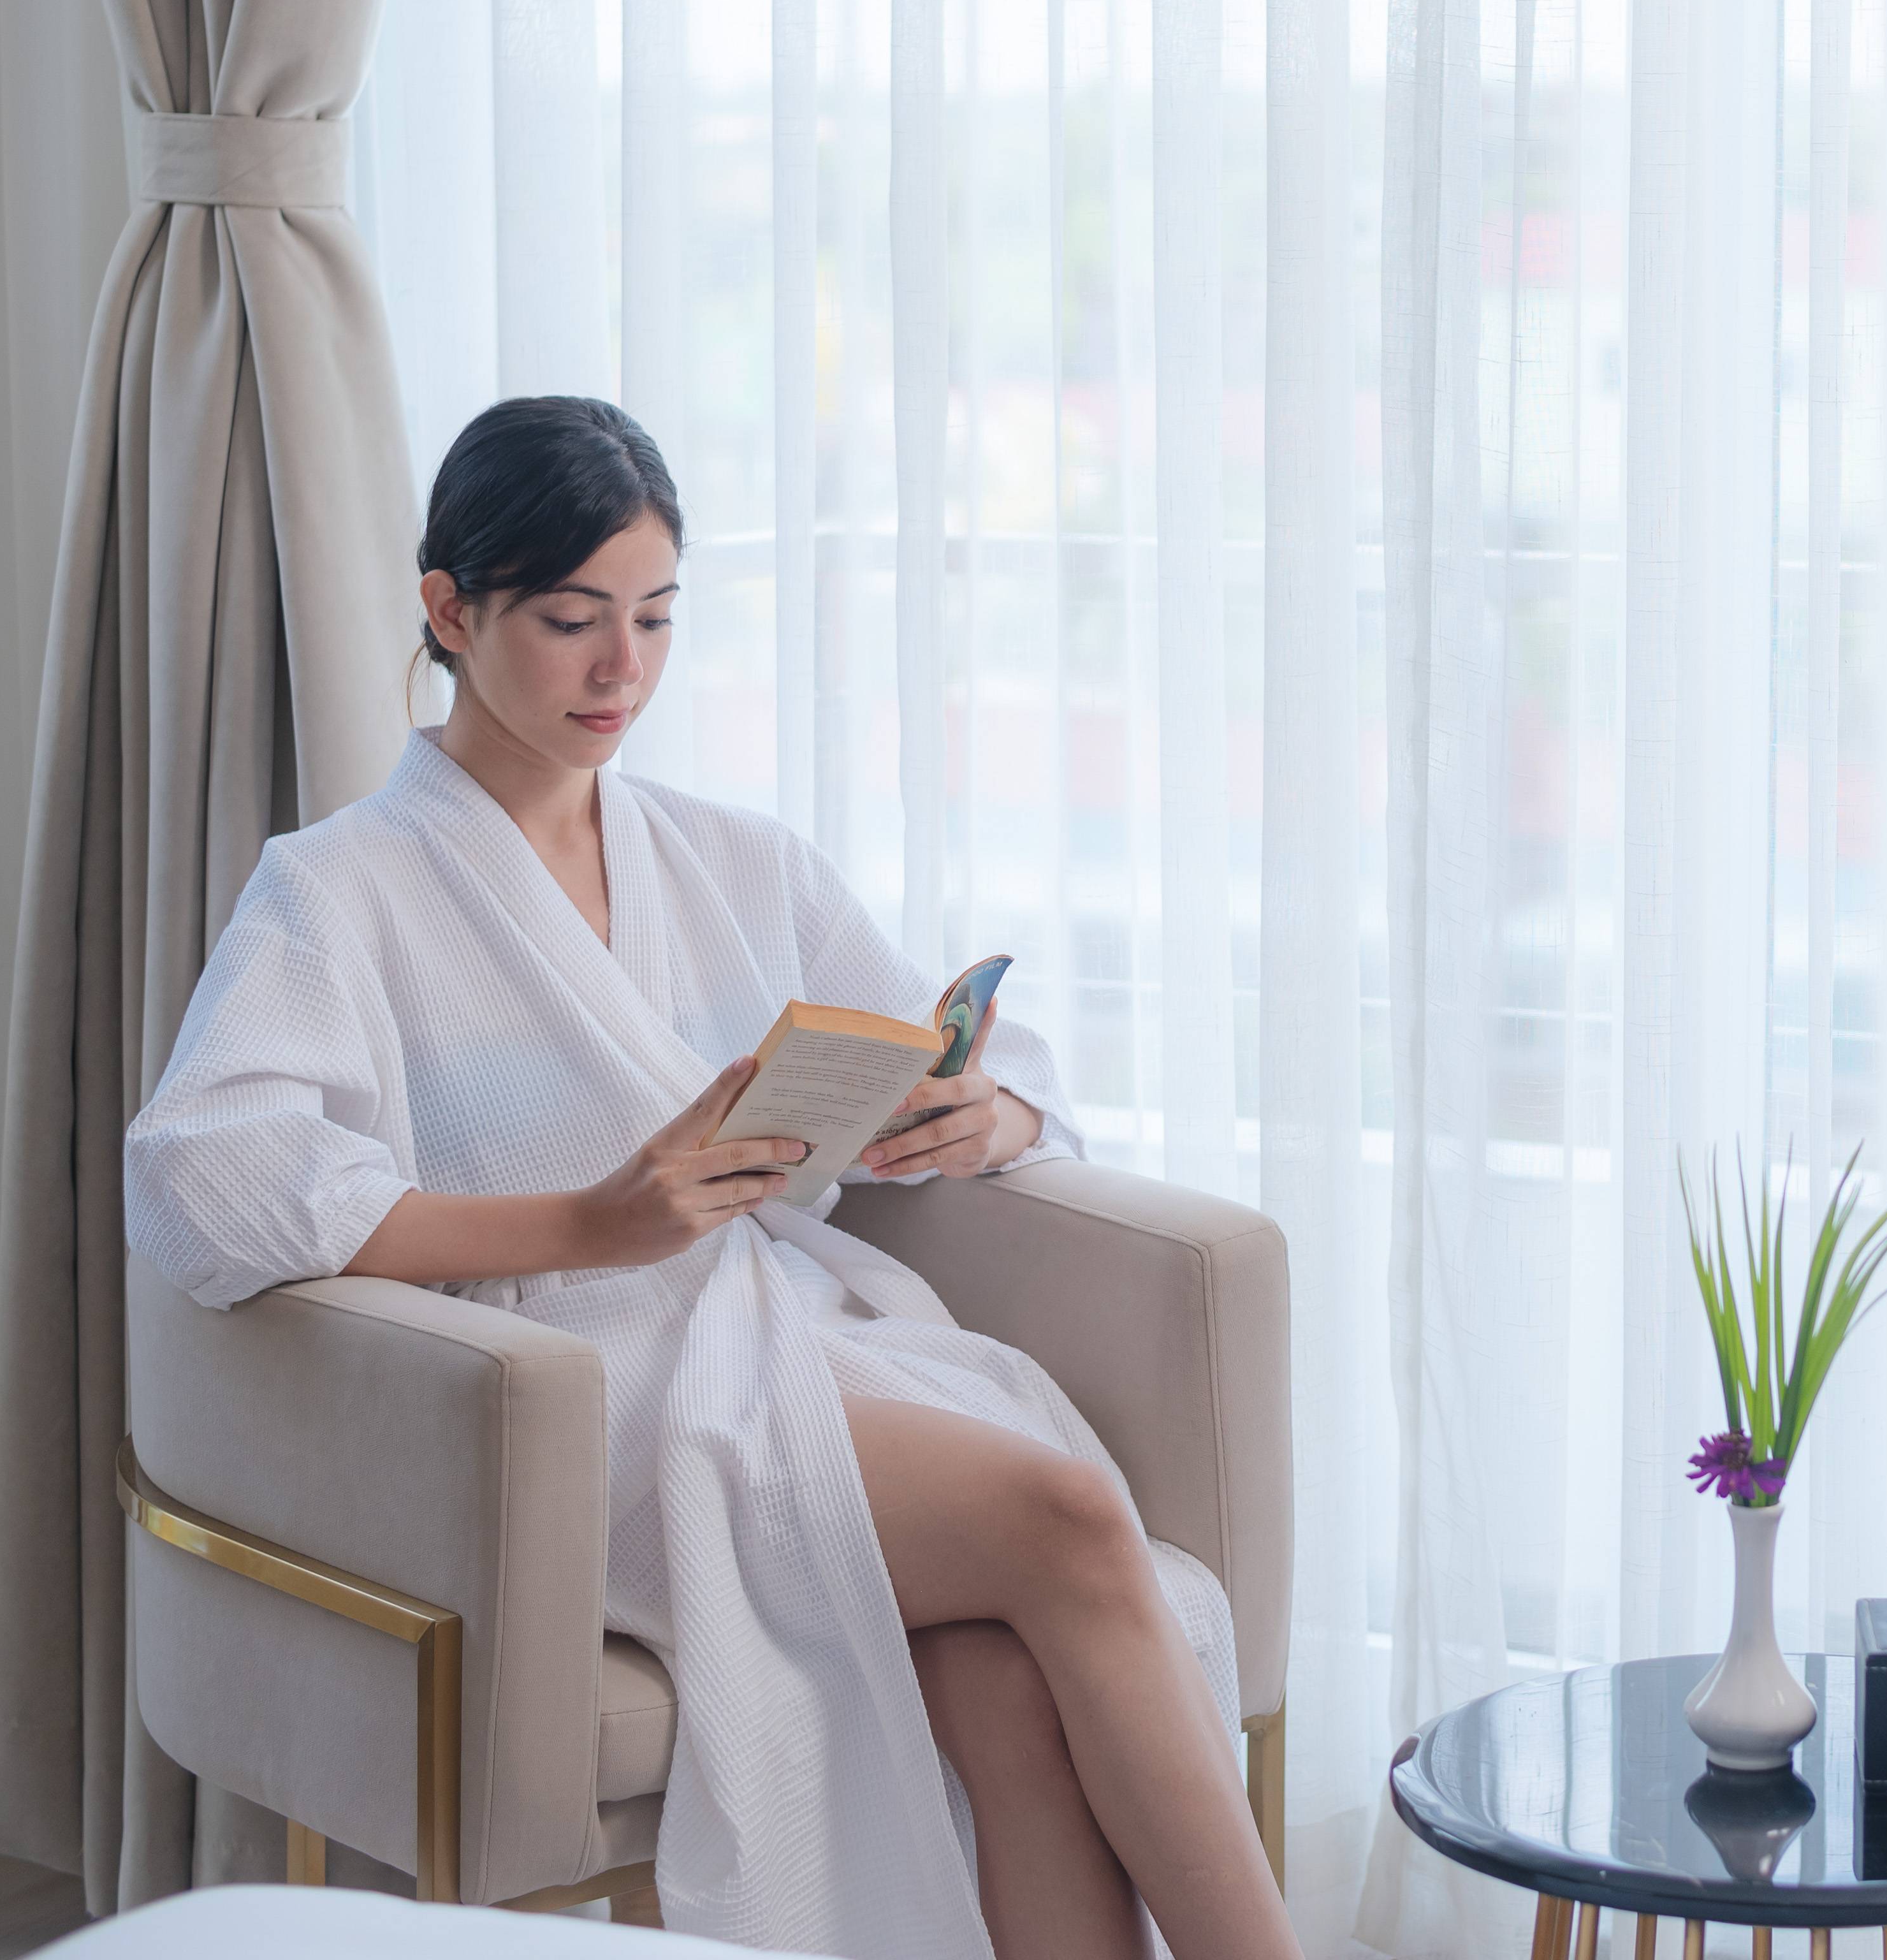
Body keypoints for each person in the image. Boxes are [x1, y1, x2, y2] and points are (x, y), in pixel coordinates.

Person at [125, 396, 1295, 1960]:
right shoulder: (337, 892)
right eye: (572, 620)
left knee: (1006, 1687)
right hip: (578, 1411)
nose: (624, 667)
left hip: (783, 1342)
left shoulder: (734, 859)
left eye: (658, 617)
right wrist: (590, 1221)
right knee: (1071, 1515)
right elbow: (209, 1179)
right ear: (450, 612)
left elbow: (963, 1050)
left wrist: (984, 1113)